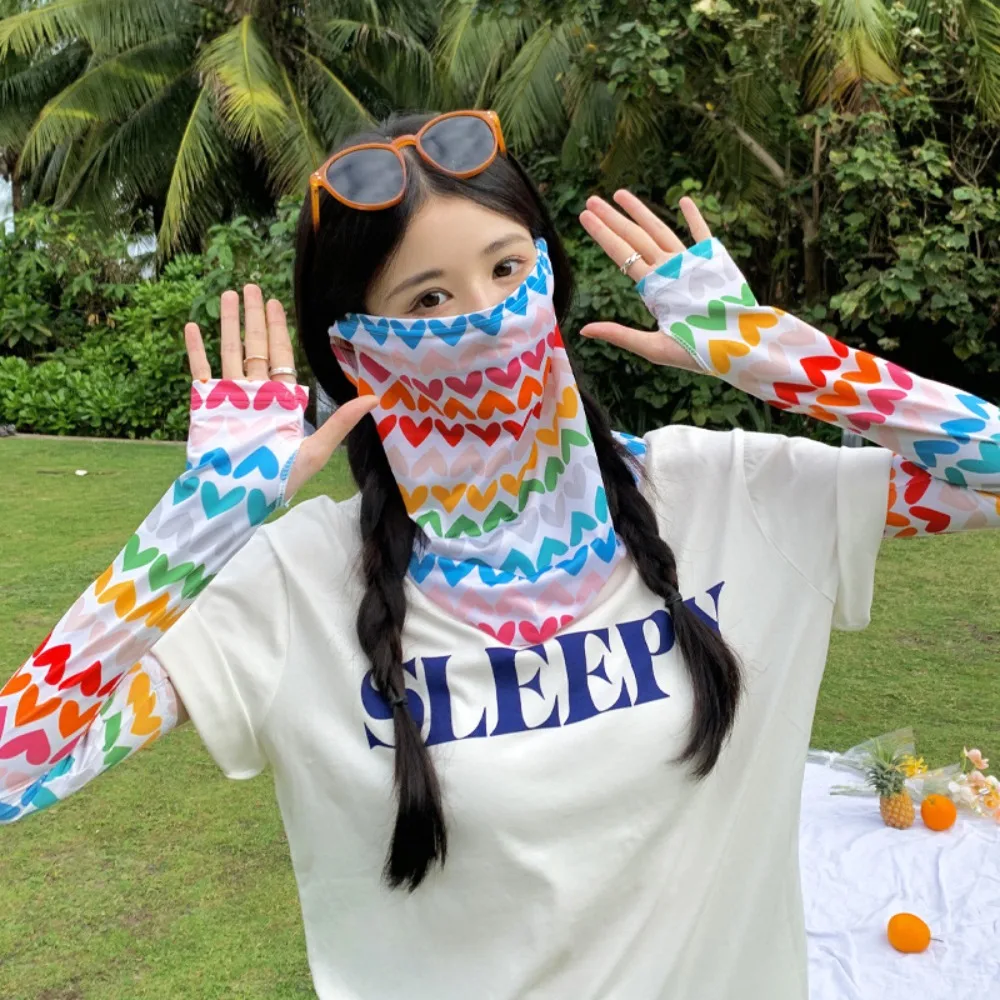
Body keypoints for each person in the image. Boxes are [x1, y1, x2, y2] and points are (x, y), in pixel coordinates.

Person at [2, 109, 998, 999]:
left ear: (549, 274)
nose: (485, 319)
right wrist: (200, 521)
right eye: (427, 302)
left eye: (508, 270)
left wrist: (779, 357)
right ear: (356, 351)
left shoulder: (728, 495)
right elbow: (15, 772)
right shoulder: (294, 586)